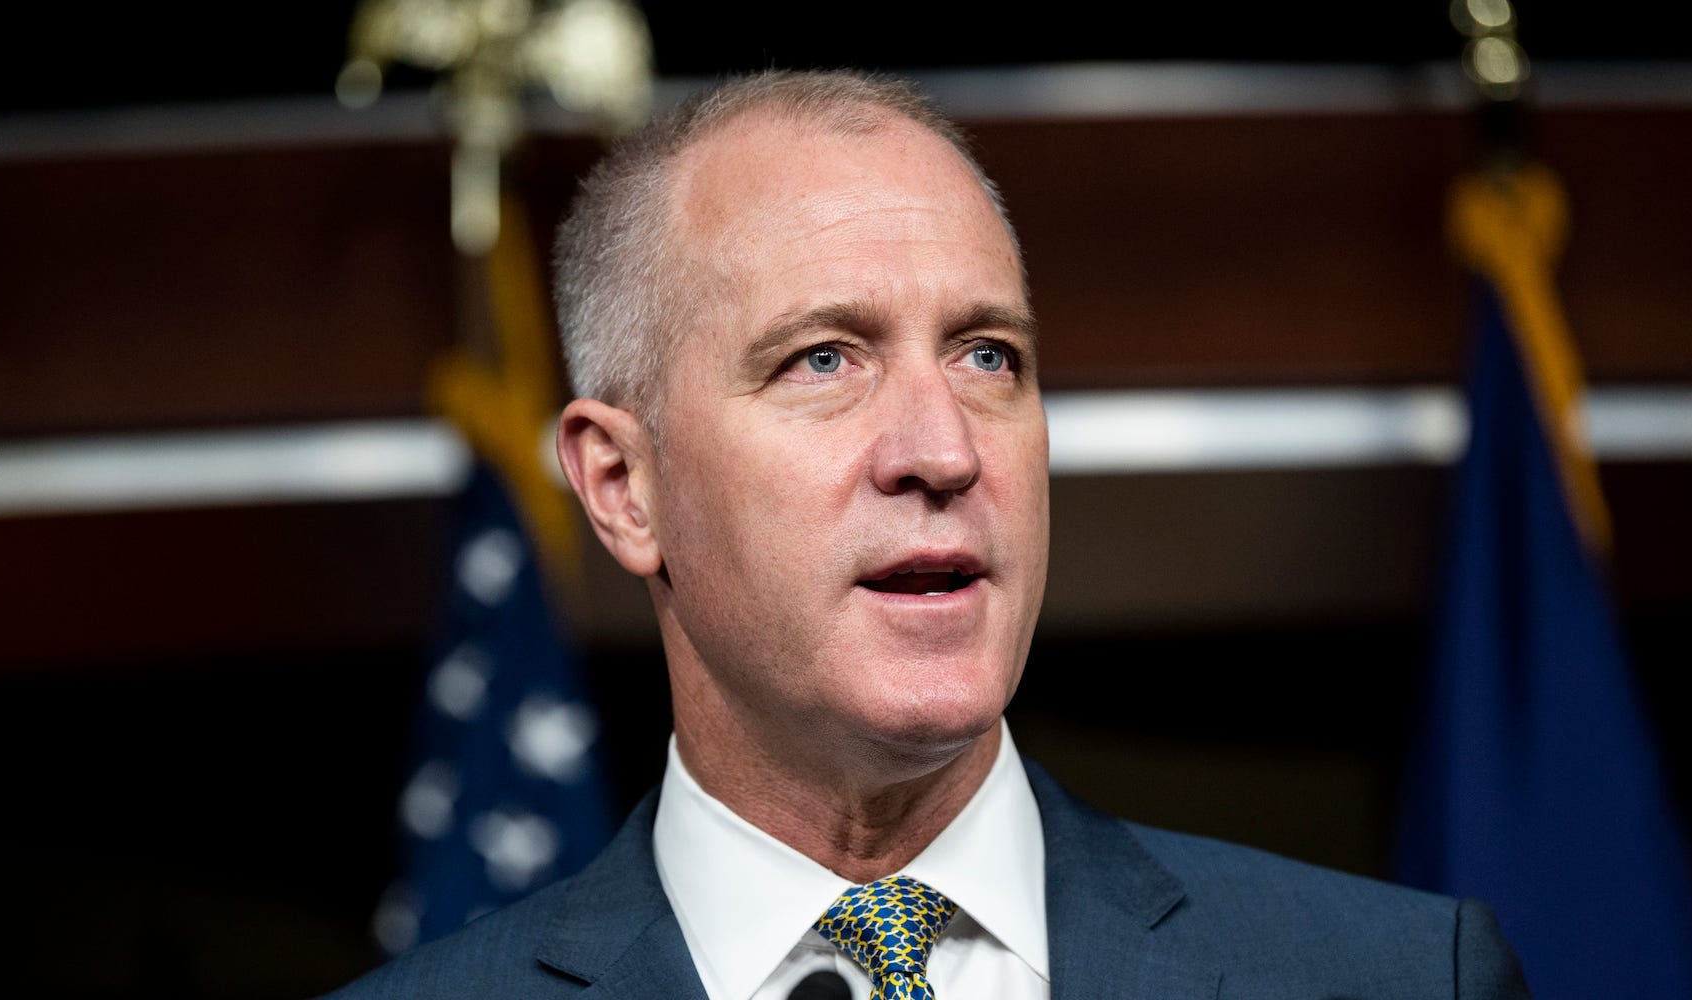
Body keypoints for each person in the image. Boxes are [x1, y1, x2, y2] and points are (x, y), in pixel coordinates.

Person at [327, 70, 1531, 1000]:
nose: (942, 450)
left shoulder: (1403, 975)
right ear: (622, 487)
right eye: (823, 359)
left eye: (986, 355)